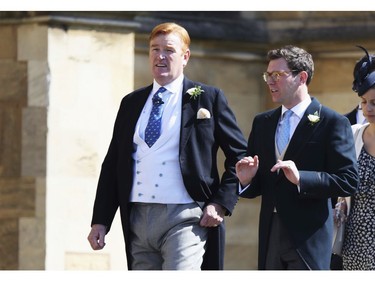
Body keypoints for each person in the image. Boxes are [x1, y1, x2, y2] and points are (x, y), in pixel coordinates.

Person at [87, 22, 247, 270]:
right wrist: (100, 221)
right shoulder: (131, 102)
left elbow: (239, 156)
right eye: (154, 49)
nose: (160, 56)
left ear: (185, 57)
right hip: (138, 218)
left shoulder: (208, 98)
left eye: (169, 50)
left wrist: (220, 203)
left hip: (185, 218)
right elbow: (113, 164)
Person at [235, 45, 358, 270]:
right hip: (270, 234)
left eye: (277, 75)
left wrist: (302, 178)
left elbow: (349, 180)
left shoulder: (332, 122)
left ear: (302, 77)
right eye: (268, 75)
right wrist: (246, 180)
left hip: (308, 238)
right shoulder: (262, 122)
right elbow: (259, 186)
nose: (270, 81)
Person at [335, 46, 375, 270]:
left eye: (374, 103)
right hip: (354, 245)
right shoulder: (352, 134)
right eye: (363, 102)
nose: (367, 108)